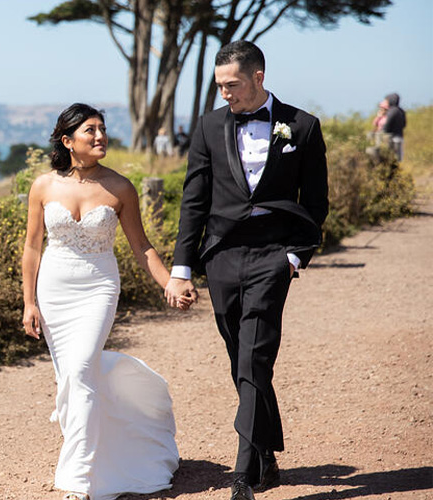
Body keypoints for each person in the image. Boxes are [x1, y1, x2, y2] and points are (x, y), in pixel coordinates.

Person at [164, 41, 328, 500]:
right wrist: (183, 267)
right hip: (221, 256)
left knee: (255, 355)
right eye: (219, 86)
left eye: (231, 85)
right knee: (242, 359)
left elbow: (315, 203)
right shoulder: (208, 126)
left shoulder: (303, 126)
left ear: (258, 77)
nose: (225, 95)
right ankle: (267, 456)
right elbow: (193, 201)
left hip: (272, 256)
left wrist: (293, 256)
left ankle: (242, 475)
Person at [22, 103, 185, 500]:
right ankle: (110, 453)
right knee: (73, 379)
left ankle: (79, 480)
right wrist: (29, 303)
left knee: (79, 371)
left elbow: (141, 246)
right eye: (90, 131)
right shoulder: (44, 186)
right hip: (55, 289)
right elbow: (31, 247)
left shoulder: (121, 187)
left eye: (102, 129)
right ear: (68, 140)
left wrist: (171, 282)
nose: (100, 137)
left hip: (98, 287)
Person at [382, 92, 407, 161]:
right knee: (399, 158)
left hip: (392, 138)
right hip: (400, 136)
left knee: (393, 158)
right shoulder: (401, 111)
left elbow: (387, 126)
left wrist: (383, 132)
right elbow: (404, 124)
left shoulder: (392, 111)